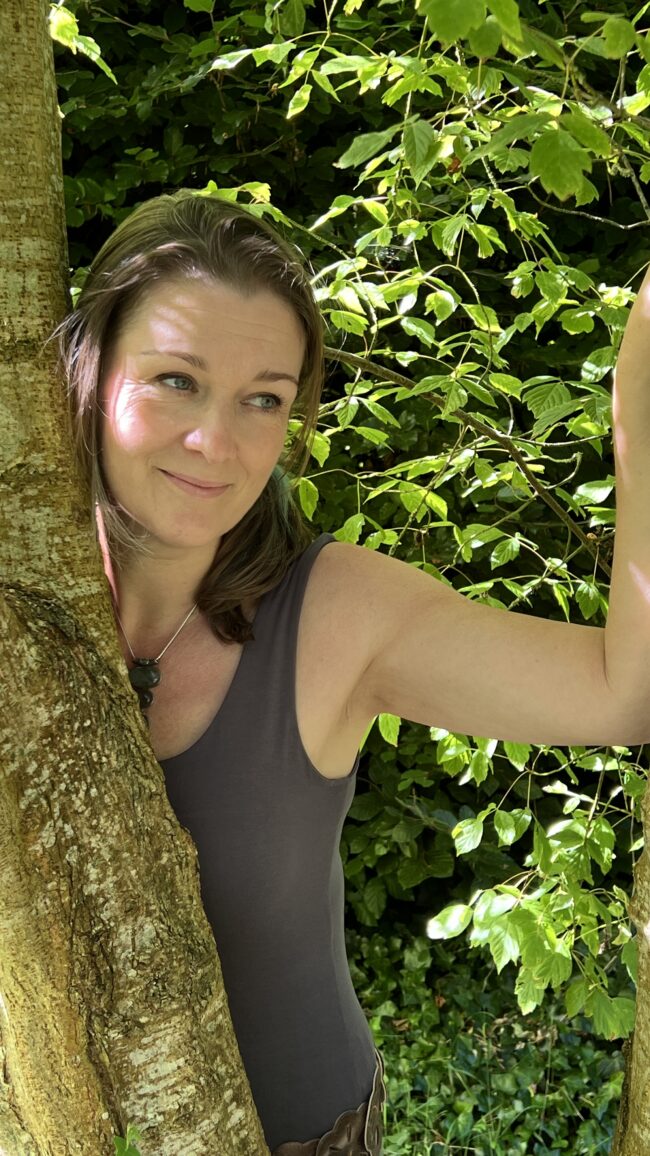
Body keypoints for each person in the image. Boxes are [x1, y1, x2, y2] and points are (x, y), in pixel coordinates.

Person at [57, 189, 650, 1155]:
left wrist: (641, 390)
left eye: (265, 399)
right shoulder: (26, 599)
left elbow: (625, 692)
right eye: (175, 380)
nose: (219, 442)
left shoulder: (333, 614)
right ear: (89, 369)